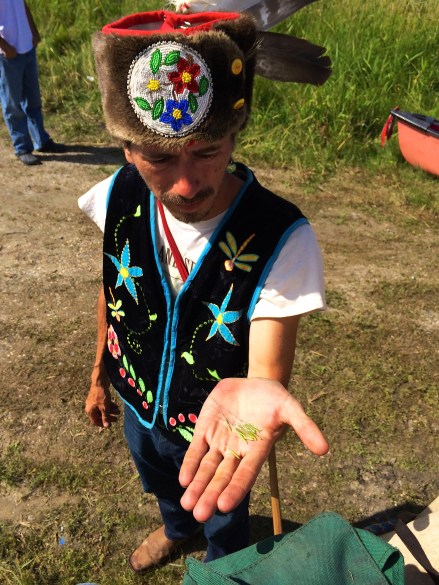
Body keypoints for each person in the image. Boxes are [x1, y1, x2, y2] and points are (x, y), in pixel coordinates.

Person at [79, 8, 330, 574]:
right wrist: (99, 375)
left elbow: (265, 372)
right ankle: (173, 528)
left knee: (221, 508)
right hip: (138, 405)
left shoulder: (281, 236)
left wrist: (257, 402)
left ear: (234, 133)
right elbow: (111, 284)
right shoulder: (115, 195)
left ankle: (223, 560)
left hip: (218, 435)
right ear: (125, 147)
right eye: (159, 158)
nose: (186, 183)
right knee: (162, 480)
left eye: (208, 151)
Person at [0, 0, 65, 166]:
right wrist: (5, 47)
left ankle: (41, 140)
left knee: (33, 99)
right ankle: (22, 147)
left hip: (27, 47)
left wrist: (33, 31)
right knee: (12, 103)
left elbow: (24, 6)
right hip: (8, 54)